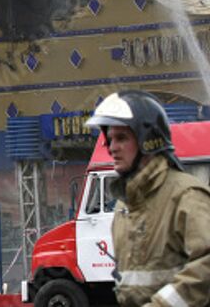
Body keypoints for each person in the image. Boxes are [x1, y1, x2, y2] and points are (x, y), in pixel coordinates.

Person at [85, 90, 210, 307]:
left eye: (122, 138)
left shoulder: (186, 197)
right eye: (110, 139)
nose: (112, 148)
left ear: (148, 141)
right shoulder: (124, 205)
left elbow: (206, 266)